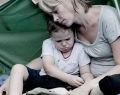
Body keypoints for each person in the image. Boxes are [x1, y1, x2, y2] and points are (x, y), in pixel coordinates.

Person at [31, 0, 120, 95]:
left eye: (55, 11)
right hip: (86, 81)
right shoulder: (70, 27)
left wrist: (87, 87)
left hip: (108, 82)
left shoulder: (107, 16)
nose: (55, 18)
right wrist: (24, 70)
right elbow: (50, 56)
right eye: (51, 14)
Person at [0, 20, 93, 95]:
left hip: (65, 85)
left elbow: (85, 72)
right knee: (18, 68)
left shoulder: (80, 49)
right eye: (59, 41)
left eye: (68, 39)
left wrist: (87, 82)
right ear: (52, 38)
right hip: (44, 77)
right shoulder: (48, 43)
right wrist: (69, 78)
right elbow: (48, 67)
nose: (64, 44)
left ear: (74, 34)